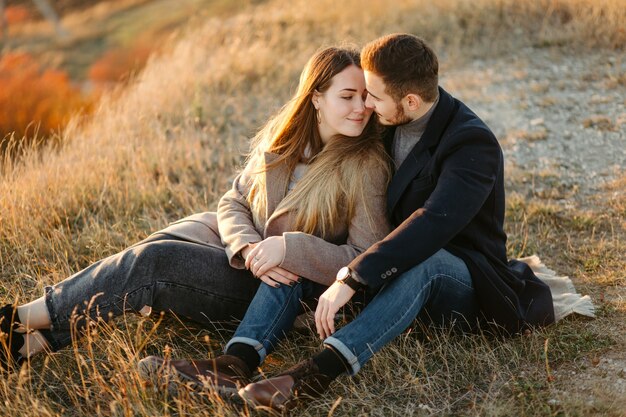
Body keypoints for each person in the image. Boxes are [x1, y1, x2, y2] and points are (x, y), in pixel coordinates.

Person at [151, 33, 556, 411]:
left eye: (374, 97)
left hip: (461, 282)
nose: (366, 107)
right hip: (387, 266)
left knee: (427, 263)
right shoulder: (388, 118)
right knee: (298, 252)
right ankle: (235, 361)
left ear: (411, 101)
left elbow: (431, 224)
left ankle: (313, 376)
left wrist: (351, 278)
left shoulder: (471, 143)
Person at [0, 46, 391, 372]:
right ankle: (28, 344)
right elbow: (234, 200)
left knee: (154, 261)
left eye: (364, 97)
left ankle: (17, 319)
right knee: (145, 256)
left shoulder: (365, 164)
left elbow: (364, 258)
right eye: (347, 96)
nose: (361, 108)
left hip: (277, 292)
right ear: (316, 98)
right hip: (240, 260)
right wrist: (250, 247)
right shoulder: (284, 141)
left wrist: (288, 249)